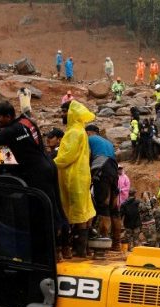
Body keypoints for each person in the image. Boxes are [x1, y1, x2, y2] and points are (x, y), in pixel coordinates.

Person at [0, 100, 66, 254]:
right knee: (56, 205)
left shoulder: (11, 131)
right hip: (48, 165)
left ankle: (53, 250)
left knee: (42, 210)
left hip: (36, 171)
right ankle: (64, 246)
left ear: (9, 116)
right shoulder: (27, 121)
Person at [55, 100, 96, 257]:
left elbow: (67, 156)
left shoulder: (73, 132)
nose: (62, 114)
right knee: (84, 212)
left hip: (73, 177)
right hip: (82, 175)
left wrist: (51, 164)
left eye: (65, 111)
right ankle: (82, 250)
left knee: (73, 212)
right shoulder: (81, 131)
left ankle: (75, 250)